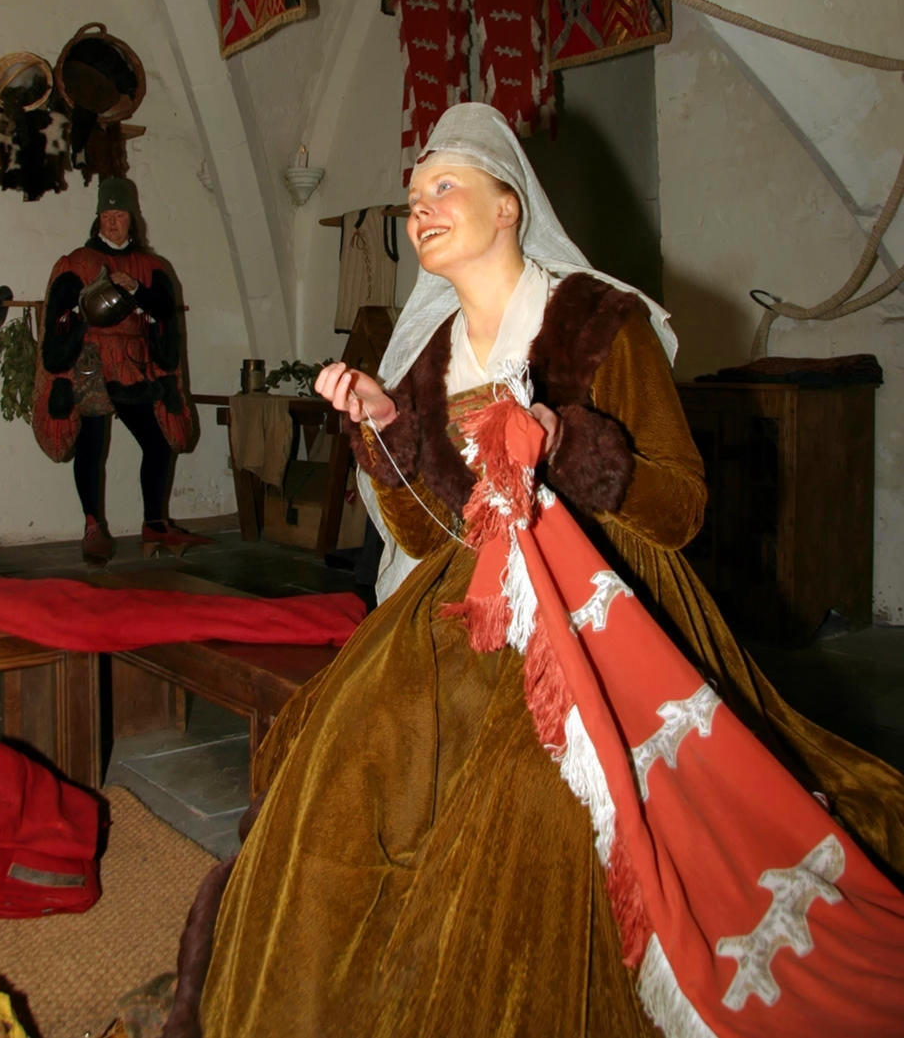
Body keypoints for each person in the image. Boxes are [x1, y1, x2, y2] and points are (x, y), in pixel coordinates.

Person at [197, 104, 904, 1036]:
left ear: (508, 207)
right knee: (348, 759)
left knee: (541, 801)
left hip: (607, 604)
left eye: (443, 186)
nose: (420, 210)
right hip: (472, 610)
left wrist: (574, 446)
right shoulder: (425, 361)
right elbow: (423, 528)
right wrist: (382, 427)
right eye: (411, 199)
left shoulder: (600, 328)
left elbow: (682, 506)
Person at [32, 177, 209, 562]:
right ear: (98, 220)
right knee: (92, 446)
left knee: (158, 442)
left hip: (134, 366)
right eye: (106, 215)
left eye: (120, 215)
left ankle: (153, 523)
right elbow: (58, 315)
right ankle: (93, 526)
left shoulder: (151, 266)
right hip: (90, 368)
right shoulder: (77, 262)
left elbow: (163, 313)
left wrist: (137, 291)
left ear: (133, 220)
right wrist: (86, 305)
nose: (113, 222)